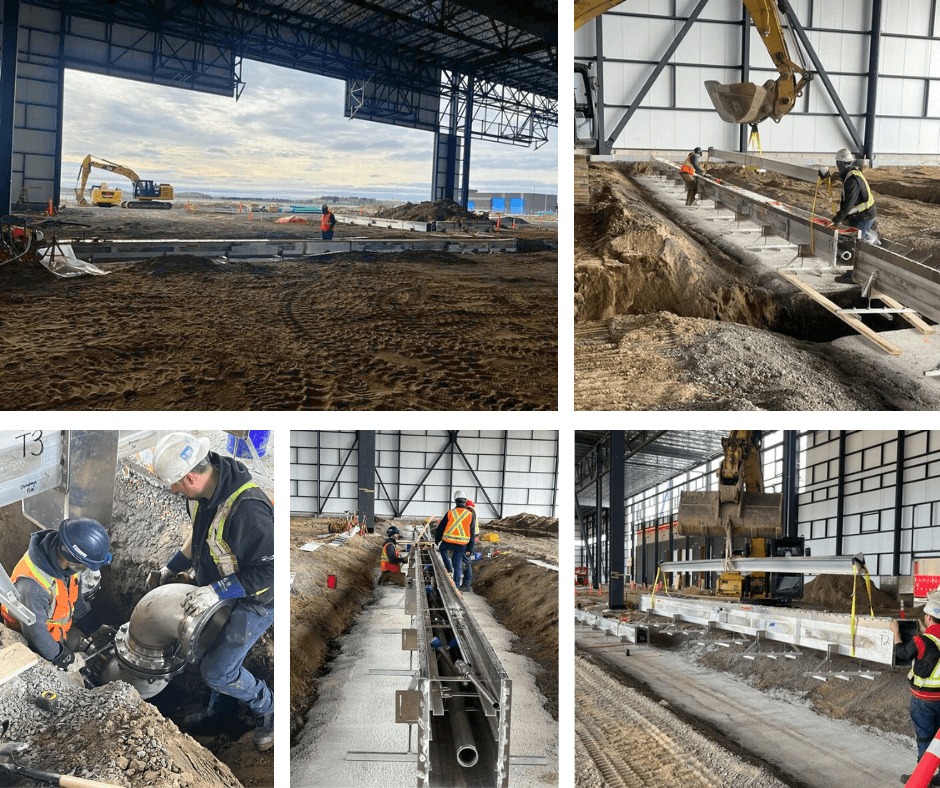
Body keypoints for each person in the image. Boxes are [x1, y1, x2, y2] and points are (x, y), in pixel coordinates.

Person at [149, 432, 275, 752]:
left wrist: (217, 591)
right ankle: (221, 714)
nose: (174, 490)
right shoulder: (204, 494)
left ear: (190, 476)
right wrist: (170, 567)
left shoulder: (248, 510)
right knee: (207, 651)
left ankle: (266, 708)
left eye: (176, 484)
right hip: (220, 591)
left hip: (254, 599)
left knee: (217, 671)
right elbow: (199, 539)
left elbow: (270, 570)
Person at [1, 518, 111, 670]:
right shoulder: (33, 587)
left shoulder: (67, 562)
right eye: (86, 566)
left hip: (58, 631)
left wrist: (94, 628)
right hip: (31, 643)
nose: (86, 570)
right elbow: (35, 634)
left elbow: (75, 598)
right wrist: (63, 657)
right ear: (72, 561)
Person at [891, 591, 940, 785]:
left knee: (925, 738)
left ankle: (922, 778)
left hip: (924, 700)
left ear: (928, 617)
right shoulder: (927, 638)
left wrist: (896, 632)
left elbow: (902, 654)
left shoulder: (922, 641)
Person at [824, 148, 879, 245]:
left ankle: (873, 240)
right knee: (848, 238)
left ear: (839, 164)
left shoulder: (852, 181)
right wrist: (827, 177)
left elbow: (848, 204)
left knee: (857, 243)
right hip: (857, 215)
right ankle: (868, 236)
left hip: (865, 215)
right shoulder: (850, 174)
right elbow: (838, 176)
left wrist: (835, 220)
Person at [435, 491, 476, 588]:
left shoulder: (450, 513)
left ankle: (448, 567)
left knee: (441, 549)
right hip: (461, 544)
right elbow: (472, 533)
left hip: (448, 542)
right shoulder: (470, 514)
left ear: (456, 501)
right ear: (465, 501)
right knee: (457, 565)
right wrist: (470, 548)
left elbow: (441, 527)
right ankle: (456, 586)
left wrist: (437, 539)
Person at [459, 500, 476, 592]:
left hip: (468, 541)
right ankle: (465, 583)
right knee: (465, 562)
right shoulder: (471, 512)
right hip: (468, 540)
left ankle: (466, 584)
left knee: (466, 562)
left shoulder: (468, 512)